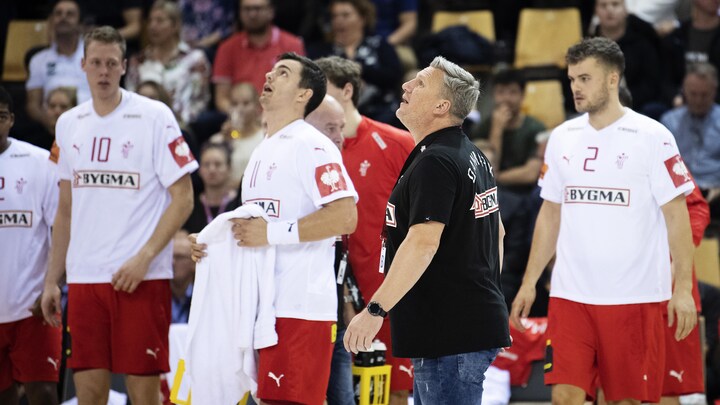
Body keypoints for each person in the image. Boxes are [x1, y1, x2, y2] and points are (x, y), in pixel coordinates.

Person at [509, 37, 697, 404]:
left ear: (613, 79)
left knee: (625, 400)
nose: (575, 88)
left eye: (585, 78)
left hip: (635, 298)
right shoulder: (562, 137)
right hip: (570, 296)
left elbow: (677, 216)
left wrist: (684, 289)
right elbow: (550, 213)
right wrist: (529, 282)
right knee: (564, 396)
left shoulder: (653, 136)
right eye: (572, 79)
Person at [39, 26, 197, 405]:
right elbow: (65, 210)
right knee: (89, 394)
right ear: (83, 65)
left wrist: (144, 258)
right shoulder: (68, 123)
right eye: (96, 63)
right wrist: (51, 280)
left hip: (141, 279)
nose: (104, 72)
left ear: (125, 66)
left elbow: (184, 199)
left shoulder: (154, 116)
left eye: (112, 63)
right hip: (84, 279)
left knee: (143, 395)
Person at [190, 52, 358, 405]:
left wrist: (270, 234)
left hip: (300, 305)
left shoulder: (313, 144)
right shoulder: (263, 149)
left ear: (303, 94)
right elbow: (255, 226)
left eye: (282, 73)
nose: (268, 75)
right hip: (263, 304)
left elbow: (345, 216)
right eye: (271, 70)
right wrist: (211, 242)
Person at [343, 56, 510, 404]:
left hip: (450, 333)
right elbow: (498, 234)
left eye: (419, 83)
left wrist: (375, 311)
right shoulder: (470, 154)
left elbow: (422, 243)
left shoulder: (436, 160)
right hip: (459, 327)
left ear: (441, 106)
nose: (406, 86)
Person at [315, 55, 415, 405]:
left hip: (387, 289)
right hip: (329, 291)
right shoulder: (310, 151)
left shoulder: (398, 143)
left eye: (321, 89)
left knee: (394, 390)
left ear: (347, 91)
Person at [0, 87, 61, 404]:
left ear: (11, 119)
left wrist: (53, 284)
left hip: (32, 304)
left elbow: (61, 227)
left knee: (45, 393)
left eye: (0, 116)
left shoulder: (39, 162)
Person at [471, 68, 546, 308]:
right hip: (492, 194)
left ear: (522, 96)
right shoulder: (484, 127)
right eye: (501, 92)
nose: (506, 99)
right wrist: (496, 130)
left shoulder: (534, 128)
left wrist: (496, 175)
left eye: (513, 92)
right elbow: (484, 164)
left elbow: (530, 174)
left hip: (523, 197)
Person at [306, 94, 355, 405]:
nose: (339, 137)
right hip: (302, 316)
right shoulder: (291, 168)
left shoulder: (336, 172)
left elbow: (339, 251)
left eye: (341, 128)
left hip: (333, 315)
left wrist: (347, 300)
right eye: (330, 128)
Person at [307, 0, 404, 126]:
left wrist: (362, 70)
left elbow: (394, 76)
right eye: (334, 16)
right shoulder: (320, 50)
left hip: (381, 112)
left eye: (345, 15)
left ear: (363, 18)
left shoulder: (380, 45)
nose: (338, 21)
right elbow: (313, 80)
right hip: (333, 114)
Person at [125, 0, 211, 125]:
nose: (152, 26)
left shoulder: (194, 59)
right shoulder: (138, 60)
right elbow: (130, 99)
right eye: (150, 21)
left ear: (175, 25)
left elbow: (199, 102)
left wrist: (175, 122)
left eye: (159, 21)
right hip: (142, 124)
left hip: (182, 125)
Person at [212, 0, 305, 113]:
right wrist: (240, 114)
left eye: (258, 8)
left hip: (280, 115)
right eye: (247, 9)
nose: (252, 14)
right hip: (241, 116)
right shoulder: (227, 48)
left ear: (271, 11)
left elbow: (299, 90)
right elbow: (222, 98)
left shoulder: (292, 45)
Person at [661, 62, 720, 222]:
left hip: (715, 192)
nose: (698, 100)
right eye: (693, 94)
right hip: (681, 194)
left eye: (704, 95)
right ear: (684, 91)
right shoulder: (670, 122)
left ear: (714, 91)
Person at [592, 0, 667, 116]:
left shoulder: (642, 43)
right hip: (597, 108)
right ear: (596, 11)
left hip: (637, 108)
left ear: (625, 10)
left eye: (615, 4)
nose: (609, 10)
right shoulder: (588, 47)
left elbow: (651, 84)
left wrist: (622, 103)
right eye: (603, 5)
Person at [26, 0, 90, 133]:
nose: (63, 17)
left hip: (89, 123)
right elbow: (33, 104)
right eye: (58, 13)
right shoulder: (38, 60)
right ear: (51, 21)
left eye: (70, 14)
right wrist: (50, 123)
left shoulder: (94, 57)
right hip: (51, 125)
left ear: (81, 24)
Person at [209, 83, 265, 188]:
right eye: (234, 104)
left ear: (257, 106)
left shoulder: (265, 138)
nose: (240, 108)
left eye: (246, 103)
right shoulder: (217, 141)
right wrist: (225, 144)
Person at [183, 142, 239, 234]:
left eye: (218, 164)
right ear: (199, 169)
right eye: (206, 164)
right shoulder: (190, 207)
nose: (212, 169)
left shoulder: (240, 204)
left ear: (229, 168)